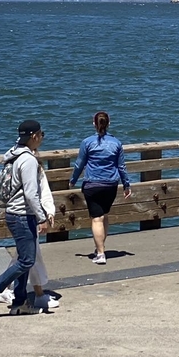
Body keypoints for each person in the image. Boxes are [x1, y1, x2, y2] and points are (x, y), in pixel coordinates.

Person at [0, 120, 52, 318]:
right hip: (22, 215)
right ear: (34, 136)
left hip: (15, 213)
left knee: (24, 260)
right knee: (27, 260)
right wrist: (42, 217)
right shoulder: (28, 160)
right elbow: (30, 193)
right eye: (41, 134)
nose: (42, 138)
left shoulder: (13, 153)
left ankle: (20, 303)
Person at [68, 111, 132, 265]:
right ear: (108, 123)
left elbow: (79, 164)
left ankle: (101, 254)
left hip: (92, 184)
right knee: (104, 215)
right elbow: (121, 167)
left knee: (97, 218)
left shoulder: (87, 142)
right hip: (111, 184)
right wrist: (126, 185)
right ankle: (100, 248)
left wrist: (73, 180)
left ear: (94, 124)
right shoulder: (116, 143)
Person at [0, 163, 60, 310]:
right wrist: (44, 216)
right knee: (31, 256)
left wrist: (49, 211)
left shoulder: (13, 163)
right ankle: (37, 294)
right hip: (27, 217)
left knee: (23, 255)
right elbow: (36, 194)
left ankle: (6, 291)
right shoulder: (32, 165)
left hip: (14, 214)